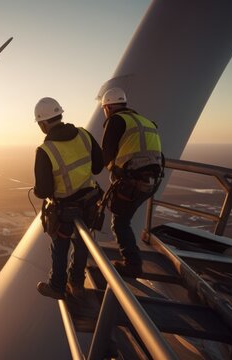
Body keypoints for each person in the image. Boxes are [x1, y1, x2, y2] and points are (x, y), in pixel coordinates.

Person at [33, 97, 104, 300]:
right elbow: (98, 166)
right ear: (60, 115)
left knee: (60, 246)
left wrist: (39, 191)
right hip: (89, 201)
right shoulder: (84, 135)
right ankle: (77, 284)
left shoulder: (45, 151)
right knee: (82, 243)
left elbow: (44, 190)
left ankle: (57, 286)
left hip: (65, 208)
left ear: (43, 123)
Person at [100, 87, 163, 277]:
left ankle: (132, 264)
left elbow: (106, 155)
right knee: (124, 218)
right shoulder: (145, 121)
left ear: (108, 107)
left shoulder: (116, 121)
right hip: (152, 181)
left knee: (120, 223)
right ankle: (132, 258)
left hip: (133, 181)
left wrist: (113, 168)